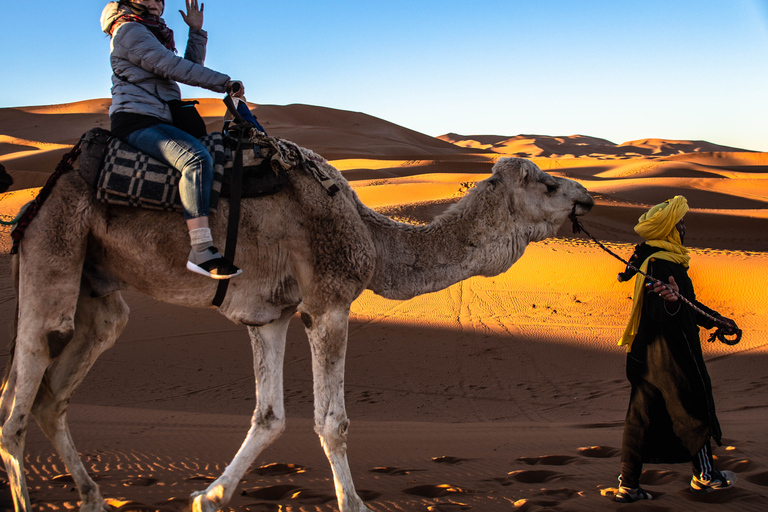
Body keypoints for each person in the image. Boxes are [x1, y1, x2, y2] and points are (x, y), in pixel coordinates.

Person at [101, 0, 242, 279]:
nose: (155, 3)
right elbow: (171, 66)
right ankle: (201, 251)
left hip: (161, 117)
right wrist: (223, 82)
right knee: (196, 158)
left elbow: (186, 67)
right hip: (137, 119)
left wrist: (196, 33)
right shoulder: (129, 30)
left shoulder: (154, 32)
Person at [612, 195, 739, 502]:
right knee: (692, 410)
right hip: (669, 354)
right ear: (670, 228)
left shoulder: (656, 258)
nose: (684, 228)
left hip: (647, 355)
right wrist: (669, 302)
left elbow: (685, 304)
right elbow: (660, 309)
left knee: (641, 418)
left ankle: (628, 485)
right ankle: (706, 476)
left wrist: (717, 321)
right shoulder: (660, 263)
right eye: (680, 223)